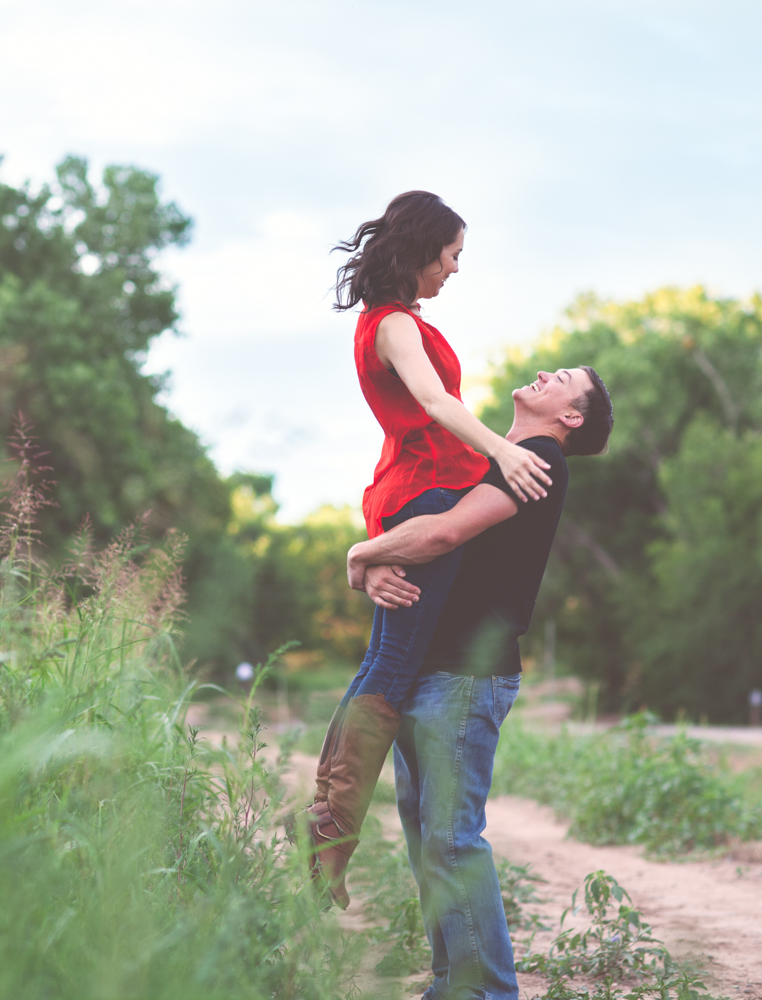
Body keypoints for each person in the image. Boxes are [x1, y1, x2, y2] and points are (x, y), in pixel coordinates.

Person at [298, 191, 553, 909]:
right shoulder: (395, 326)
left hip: (410, 488)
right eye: (452, 254)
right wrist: (505, 451)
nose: (455, 269)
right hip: (426, 492)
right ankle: (330, 828)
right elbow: (436, 404)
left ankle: (328, 823)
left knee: (392, 657)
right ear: (420, 249)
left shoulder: (389, 322)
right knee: (394, 661)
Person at [348, 364, 614, 1000]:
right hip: (433, 671)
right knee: (429, 846)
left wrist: (361, 556)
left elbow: (445, 532)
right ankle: (451, 988)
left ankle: (490, 993)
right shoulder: (506, 456)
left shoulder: (539, 459)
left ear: (571, 417)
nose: (547, 371)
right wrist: (384, 563)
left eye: (565, 378)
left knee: (451, 844)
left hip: (466, 678)